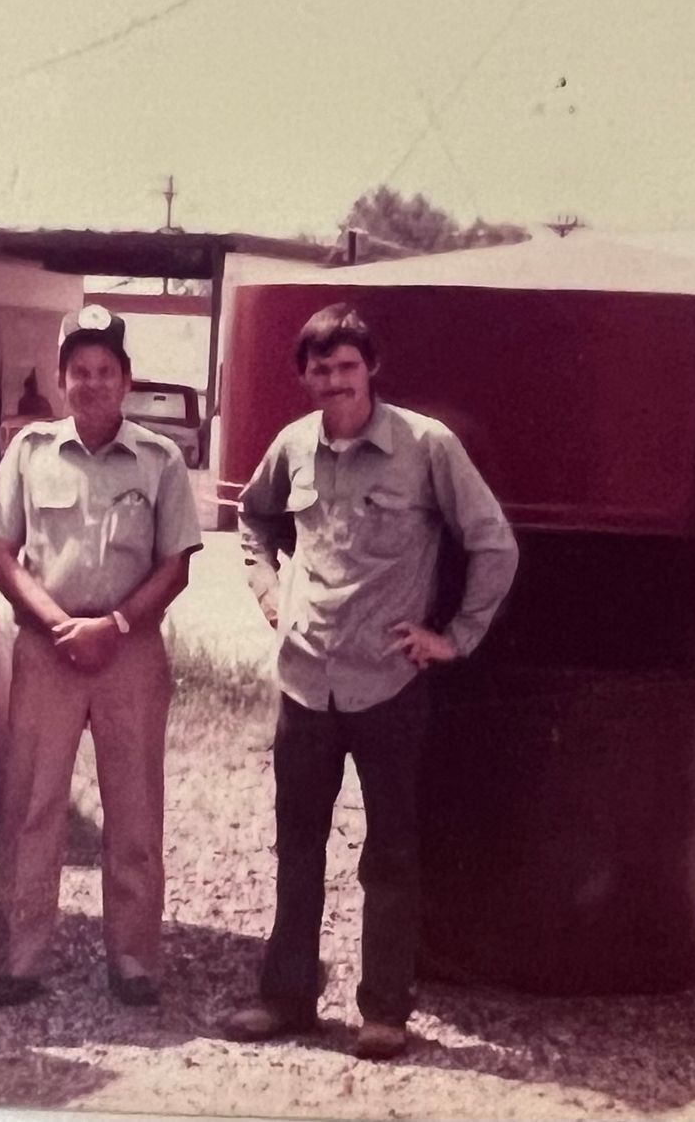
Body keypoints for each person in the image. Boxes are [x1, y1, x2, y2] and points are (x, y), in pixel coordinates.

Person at [222, 302, 518, 1060]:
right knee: (297, 846)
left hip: (389, 684)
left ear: (371, 368)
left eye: (347, 366)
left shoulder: (425, 446)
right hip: (305, 682)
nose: (334, 381)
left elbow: (493, 544)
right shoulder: (291, 447)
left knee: (389, 851)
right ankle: (285, 998)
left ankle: (384, 1010)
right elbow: (251, 521)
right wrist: (268, 592)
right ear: (305, 376)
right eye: (320, 369)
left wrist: (452, 637)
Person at [0, 306, 201, 1008]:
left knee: (134, 809)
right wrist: (56, 623)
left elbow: (177, 564)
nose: (93, 382)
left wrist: (113, 622)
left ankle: (134, 959)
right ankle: (19, 958)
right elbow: (0, 555)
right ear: (61, 377)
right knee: (33, 805)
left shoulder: (160, 459)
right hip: (48, 651)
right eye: (80, 370)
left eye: (106, 370)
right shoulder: (31, 451)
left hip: (129, 650)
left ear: (127, 380)